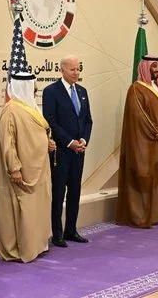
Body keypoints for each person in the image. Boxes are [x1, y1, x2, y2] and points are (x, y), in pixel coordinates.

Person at [0, 72, 56, 262]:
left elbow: (38, 131)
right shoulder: (11, 110)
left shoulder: (31, 108)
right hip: (22, 171)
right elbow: (8, 142)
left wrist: (47, 142)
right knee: (22, 209)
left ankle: (36, 244)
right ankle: (19, 248)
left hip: (39, 167)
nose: (35, 90)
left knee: (38, 208)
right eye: (33, 87)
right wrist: (14, 168)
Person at [115, 56, 158, 228]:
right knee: (143, 175)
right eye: (153, 66)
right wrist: (156, 131)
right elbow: (139, 117)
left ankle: (156, 213)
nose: (156, 69)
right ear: (144, 68)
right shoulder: (136, 89)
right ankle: (140, 216)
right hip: (143, 142)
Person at [42, 55, 93, 247]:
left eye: (78, 69)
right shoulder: (51, 91)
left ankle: (72, 229)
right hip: (61, 152)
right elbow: (51, 121)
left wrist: (83, 140)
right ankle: (57, 233)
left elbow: (88, 119)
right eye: (72, 69)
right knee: (58, 192)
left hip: (79, 151)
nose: (76, 73)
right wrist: (70, 142)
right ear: (62, 70)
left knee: (75, 190)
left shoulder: (82, 91)